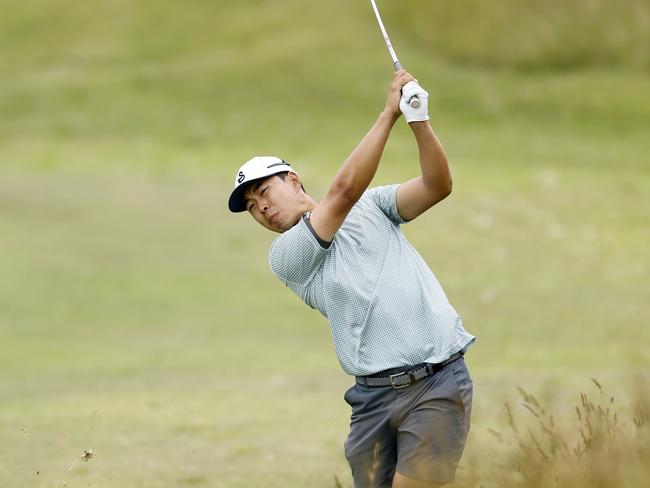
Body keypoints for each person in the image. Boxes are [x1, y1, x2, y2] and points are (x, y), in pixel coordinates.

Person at [227, 70, 475, 488]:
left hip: (436, 382)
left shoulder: (375, 206)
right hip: (372, 400)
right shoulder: (287, 257)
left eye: (264, 192)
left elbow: (437, 185)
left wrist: (419, 121)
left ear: (292, 180)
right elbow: (342, 192)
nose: (261, 209)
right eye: (252, 207)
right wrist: (387, 115)